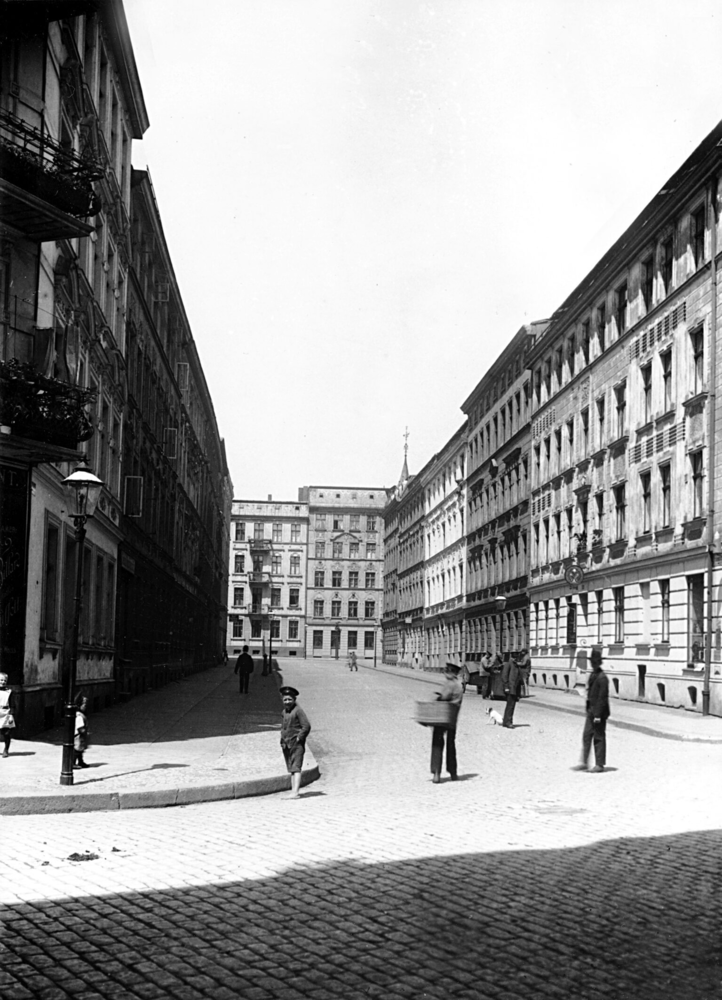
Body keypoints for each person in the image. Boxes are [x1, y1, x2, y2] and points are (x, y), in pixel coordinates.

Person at [574, 649, 610, 772]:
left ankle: (599, 764)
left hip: (598, 713)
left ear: (598, 663)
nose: (592, 664)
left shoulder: (602, 678)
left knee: (599, 737)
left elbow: (602, 698)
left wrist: (598, 715)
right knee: (586, 735)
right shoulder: (594, 675)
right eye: (592, 662)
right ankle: (584, 762)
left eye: (594, 662)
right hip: (591, 711)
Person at [430, 662, 464, 784]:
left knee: (437, 743)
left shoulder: (450, 684)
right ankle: (453, 772)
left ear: (451, 673)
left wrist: (436, 699)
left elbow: (444, 697)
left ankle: (437, 773)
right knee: (451, 744)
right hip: (453, 719)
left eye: (446, 671)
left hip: (442, 717)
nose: (445, 673)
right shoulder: (459, 685)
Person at [279, 685, 311, 798]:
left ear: (294, 700)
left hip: (296, 744)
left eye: (289, 699)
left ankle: (295, 792)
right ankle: (293, 791)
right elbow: (284, 727)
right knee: (291, 767)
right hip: (286, 743)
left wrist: (299, 738)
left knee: (296, 767)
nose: (287, 702)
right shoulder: (284, 712)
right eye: (285, 700)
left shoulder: (298, 711)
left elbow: (306, 726)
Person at [501, 651, 523, 728]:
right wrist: (506, 687)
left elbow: (519, 677)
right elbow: (504, 676)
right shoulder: (509, 663)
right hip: (510, 688)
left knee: (511, 705)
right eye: (516, 657)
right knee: (510, 705)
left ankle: (506, 721)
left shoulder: (516, 665)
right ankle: (508, 722)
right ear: (513, 656)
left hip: (515, 688)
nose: (517, 658)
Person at [0, 672, 16, 758]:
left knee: (6, 733)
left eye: (4, 680)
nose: (3, 682)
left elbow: (12, 704)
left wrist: (11, 715)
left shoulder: (9, 692)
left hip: (5, 713)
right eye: (1, 680)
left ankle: (6, 749)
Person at [74, 693, 90, 768]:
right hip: (78, 735)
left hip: (81, 735)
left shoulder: (80, 714)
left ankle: (80, 761)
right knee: (77, 749)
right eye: (84, 705)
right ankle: (73, 763)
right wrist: (84, 732)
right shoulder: (79, 716)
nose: (85, 707)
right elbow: (80, 727)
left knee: (81, 749)